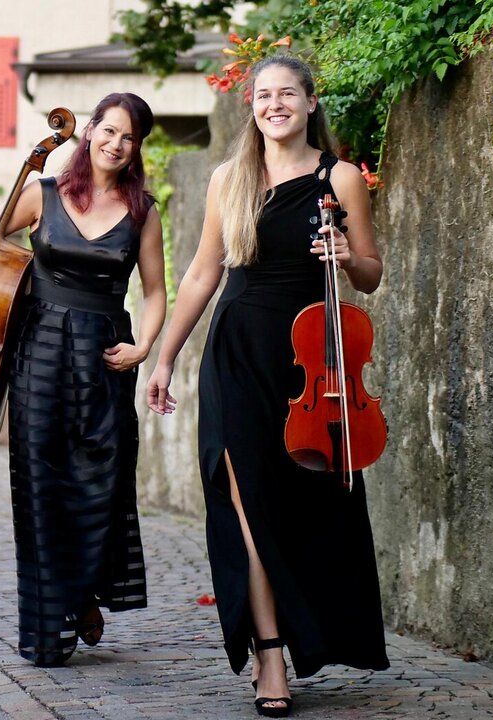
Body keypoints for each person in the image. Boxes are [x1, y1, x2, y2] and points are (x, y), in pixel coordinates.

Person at [145, 54, 389, 717]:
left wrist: (349, 258)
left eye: (287, 94)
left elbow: (371, 274)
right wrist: (164, 359)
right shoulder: (230, 179)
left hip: (312, 362)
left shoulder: (339, 178)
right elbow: (202, 274)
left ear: (310, 102)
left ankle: (308, 634)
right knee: (246, 504)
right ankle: (270, 654)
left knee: (307, 508)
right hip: (237, 355)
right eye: (262, 95)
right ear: (250, 105)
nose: (273, 104)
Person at [0, 93, 167, 667]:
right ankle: (48, 626)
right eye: (109, 131)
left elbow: (155, 291)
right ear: (90, 131)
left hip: (105, 358)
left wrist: (144, 346)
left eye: (129, 137)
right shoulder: (42, 192)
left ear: (137, 147)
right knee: (41, 488)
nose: (116, 144)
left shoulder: (143, 211)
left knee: (104, 480)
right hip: (38, 351)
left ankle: (85, 590)